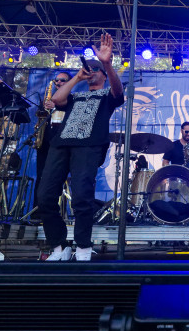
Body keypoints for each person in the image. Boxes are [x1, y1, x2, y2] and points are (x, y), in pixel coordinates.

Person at [37, 34, 124, 261]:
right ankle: (59, 246)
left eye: (96, 70)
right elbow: (56, 100)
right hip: (61, 144)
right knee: (45, 196)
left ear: (103, 76)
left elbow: (119, 92)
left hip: (89, 146)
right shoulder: (76, 96)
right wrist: (76, 77)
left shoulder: (107, 95)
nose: (91, 71)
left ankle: (83, 246)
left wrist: (106, 63)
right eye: (90, 69)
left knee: (81, 198)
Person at [31, 70, 72, 211]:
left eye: (63, 80)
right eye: (57, 80)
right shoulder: (47, 100)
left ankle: (52, 212)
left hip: (61, 145)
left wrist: (55, 107)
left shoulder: (72, 100)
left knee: (55, 180)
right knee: (41, 177)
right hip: (44, 144)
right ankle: (37, 211)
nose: (59, 82)